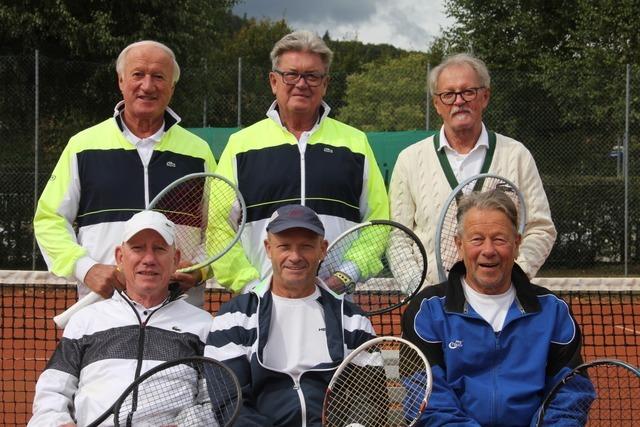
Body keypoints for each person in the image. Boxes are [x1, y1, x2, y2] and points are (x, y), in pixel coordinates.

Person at [34, 40, 216, 306]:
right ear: (121, 80)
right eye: (138, 74)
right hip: (102, 312)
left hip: (179, 312)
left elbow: (220, 228)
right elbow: (49, 220)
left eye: (158, 77)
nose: (147, 85)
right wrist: (86, 268)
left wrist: (200, 267)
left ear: (172, 87)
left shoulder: (199, 152)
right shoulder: (82, 146)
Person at [213, 30, 389, 293]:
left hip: (335, 302)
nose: (301, 83)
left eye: (312, 76)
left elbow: (377, 222)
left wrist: (343, 277)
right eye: (291, 74)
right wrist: (253, 286)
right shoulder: (240, 145)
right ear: (274, 81)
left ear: (325, 83)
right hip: (260, 302)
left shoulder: (356, 143)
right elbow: (219, 227)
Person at [401, 190, 592, 426]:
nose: (488, 250)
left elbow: (570, 394)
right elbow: (426, 400)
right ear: (459, 245)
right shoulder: (426, 311)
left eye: (499, 239)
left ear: (517, 244)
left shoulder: (553, 311)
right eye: (477, 239)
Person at [29, 210, 213, 426]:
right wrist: (58, 423)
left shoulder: (204, 325)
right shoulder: (85, 321)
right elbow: (51, 394)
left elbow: (215, 401)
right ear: (120, 257)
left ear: (175, 260)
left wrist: (186, 425)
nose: (149, 259)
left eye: (160, 249)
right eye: (138, 248)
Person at [389, 53, 556, 286]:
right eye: (448, 94)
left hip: (503, 300)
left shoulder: (517, 155)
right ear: (437, 104)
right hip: (434, 303)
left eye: (468, 92)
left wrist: (513, 276)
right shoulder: (409, 160)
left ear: (485, 96)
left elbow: (540, 228)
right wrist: (420, 292)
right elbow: (398, 237)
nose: (459, 101)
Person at [205, 204, 377, 426]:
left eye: (305, 246)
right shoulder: (233, 318)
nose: (295, 257)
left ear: (322, 249)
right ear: (268, 249)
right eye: (284, 246)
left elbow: (368, 398)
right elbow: (230, 403)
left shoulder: (355, 321)